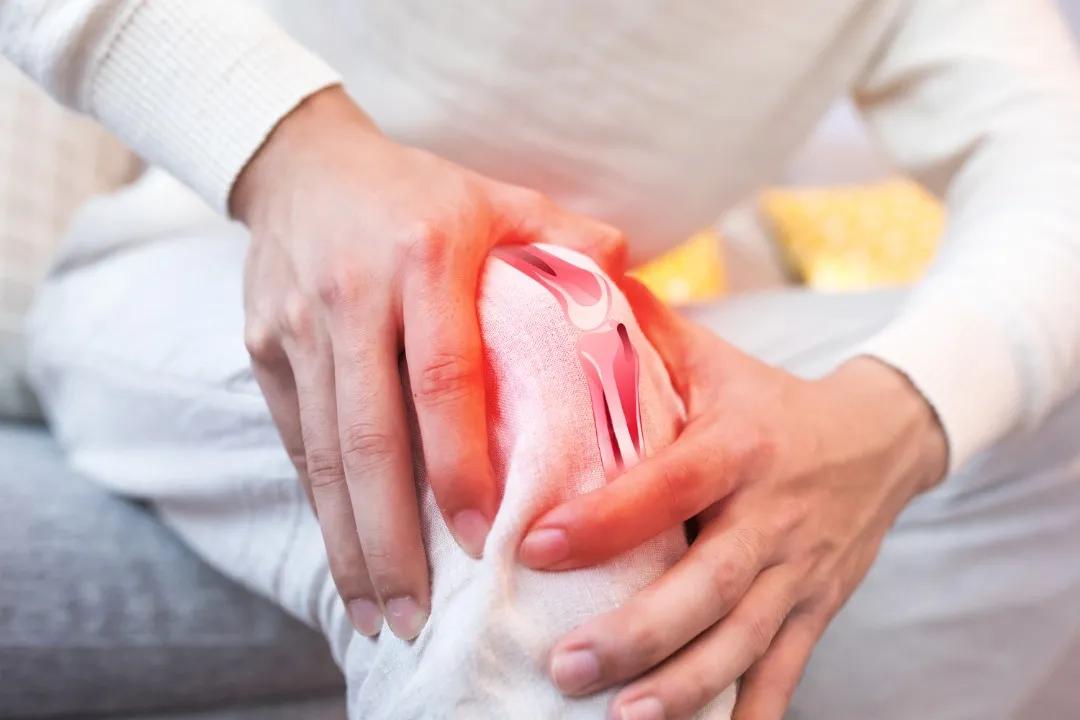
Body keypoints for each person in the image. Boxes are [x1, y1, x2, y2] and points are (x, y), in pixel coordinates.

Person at [4, 1, 1080, 718]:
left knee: (1034, 406)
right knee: (535, 367)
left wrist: (890, 419)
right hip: (211, 255)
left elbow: (1054, 159)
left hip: (577, 303)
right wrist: (293, 147)